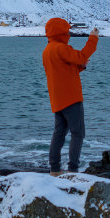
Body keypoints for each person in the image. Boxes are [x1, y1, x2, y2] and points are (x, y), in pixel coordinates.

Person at [42, 18, 99, 175]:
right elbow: (81, 56)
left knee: (59, 133)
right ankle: (73, 170)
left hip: (57, 98)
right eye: (67, 30)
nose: (69, 33)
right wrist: (93, 38)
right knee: (78, 133)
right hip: (71, 97)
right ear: (60, 32)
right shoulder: (61, 48)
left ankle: (54, 169)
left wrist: (80, 67)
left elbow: (61, 71)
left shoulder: (47, 50)